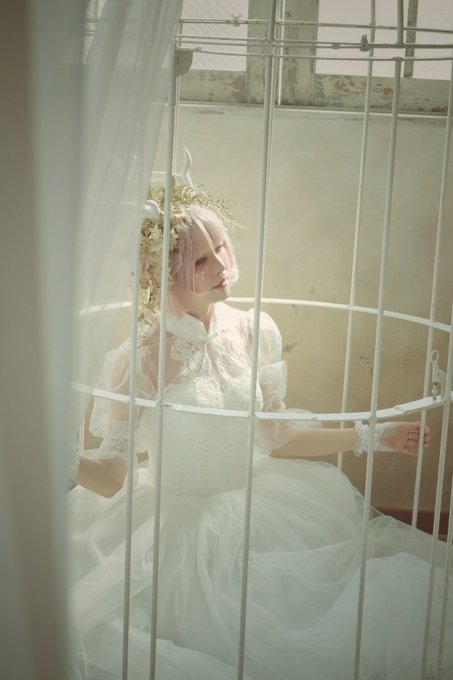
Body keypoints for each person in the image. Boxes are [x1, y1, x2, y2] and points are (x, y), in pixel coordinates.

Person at [68, 182, 452, 680]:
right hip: (177, 528)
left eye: (220, 248)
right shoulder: (142, 359)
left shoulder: (253, 330)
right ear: (161, 275)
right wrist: (60, 460)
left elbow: (278, 436)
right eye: (200, 261)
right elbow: (112, 476)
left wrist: (373, 435)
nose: (221, 266)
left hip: (260, 508)